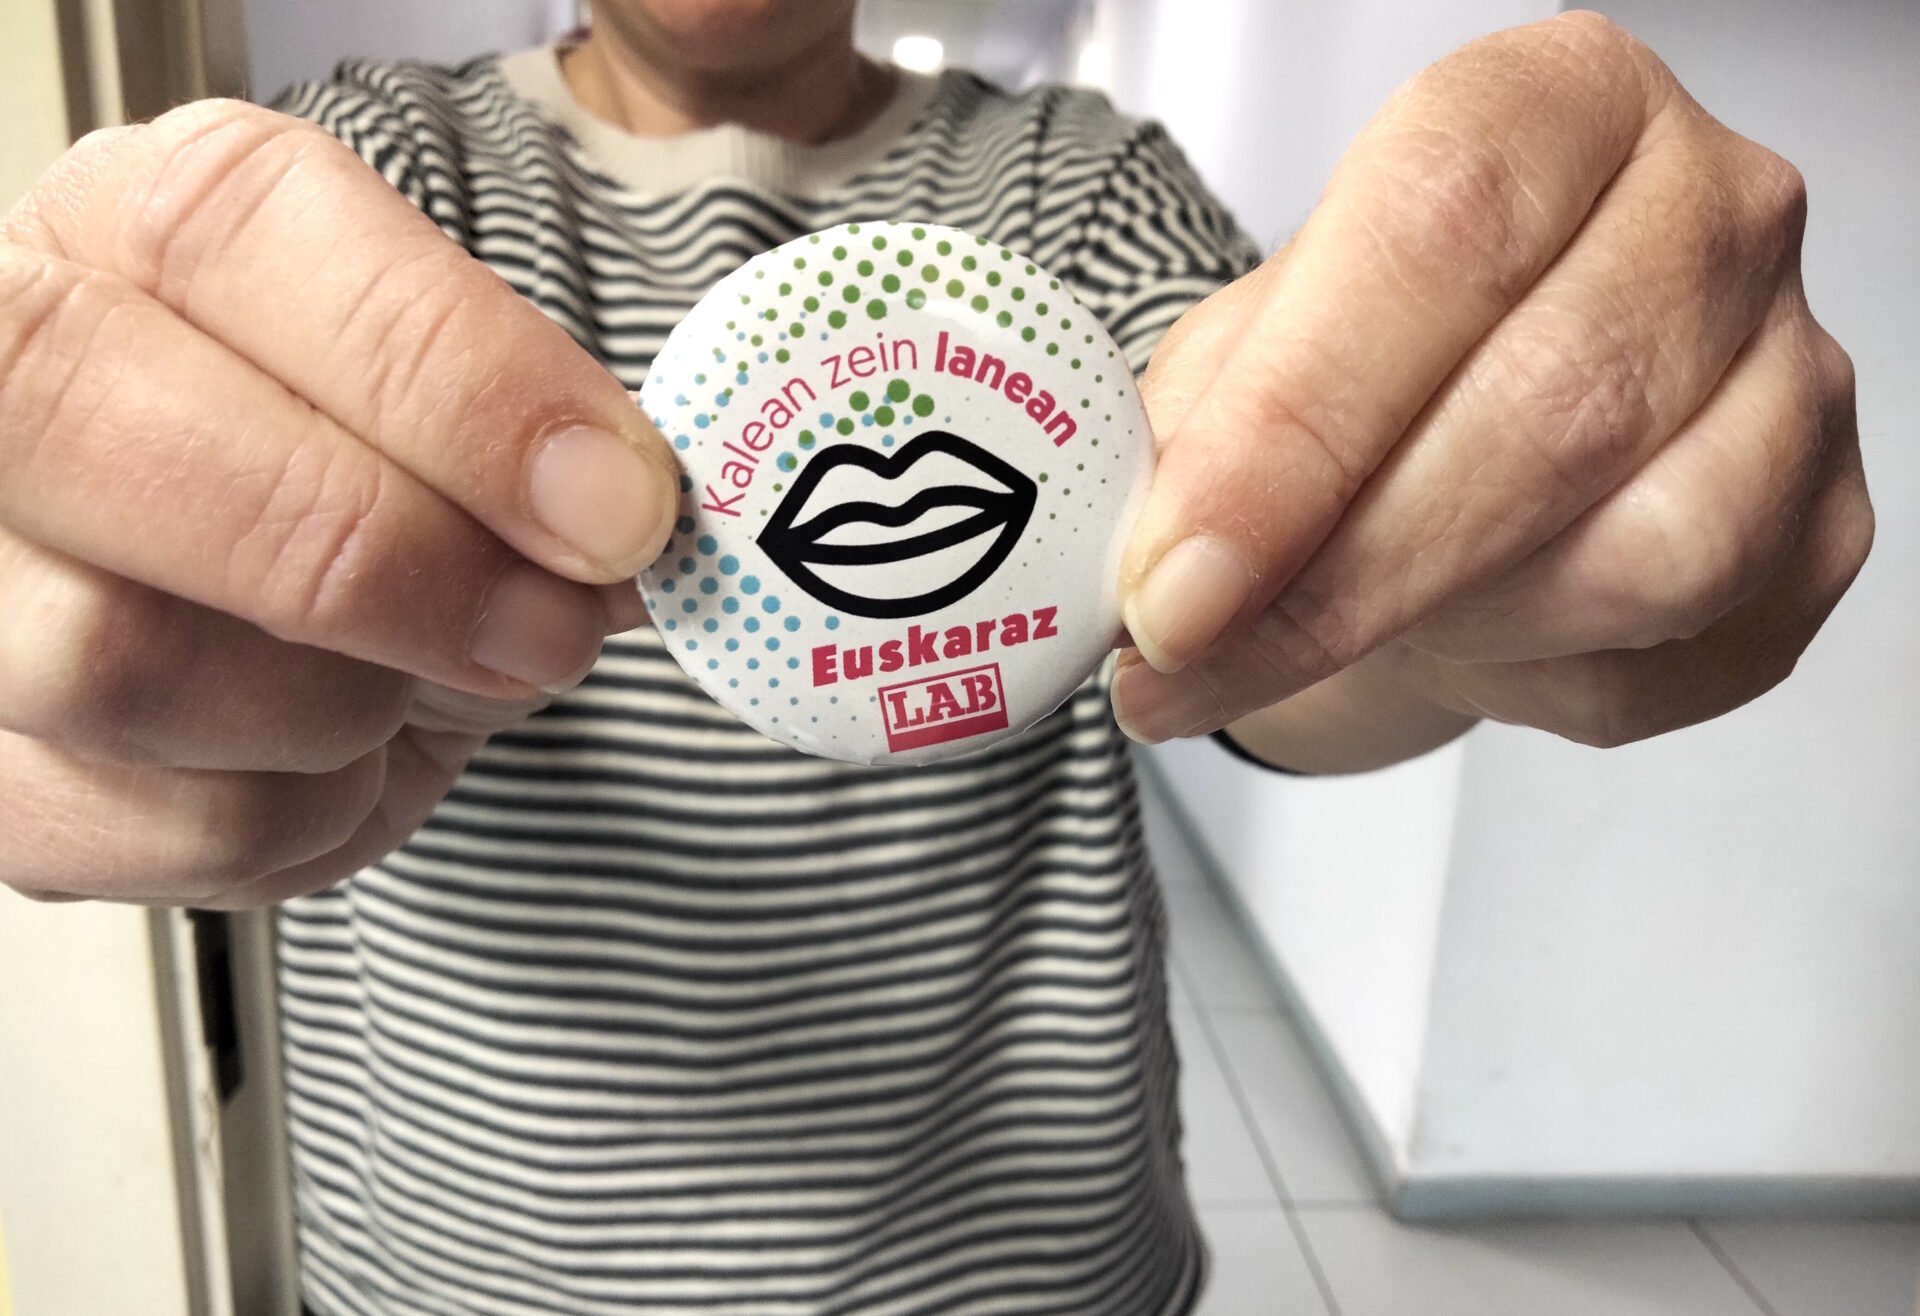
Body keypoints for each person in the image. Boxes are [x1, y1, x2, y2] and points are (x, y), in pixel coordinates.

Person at [0, 1, 1870, 1312]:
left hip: (1027, 1267)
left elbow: (1269, 616)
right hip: (464, 1271)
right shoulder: (367, 169)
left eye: (938, 492)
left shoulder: (1078, 189)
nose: (892, 490)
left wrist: (1476, 584)